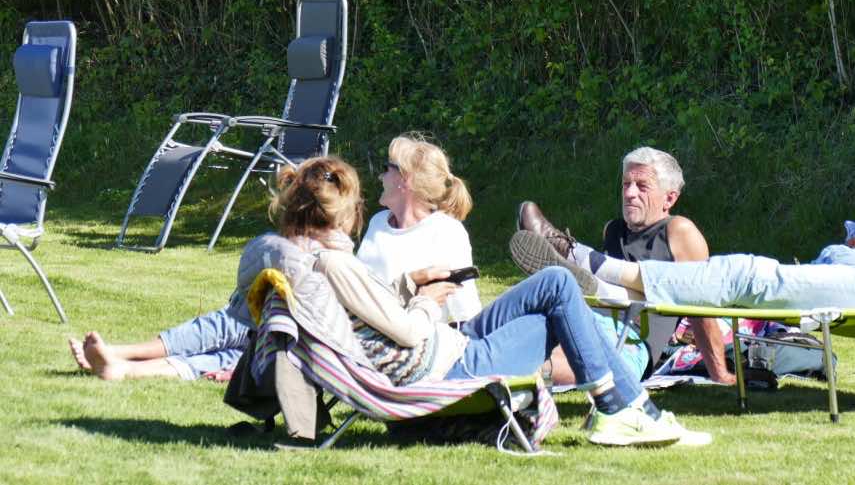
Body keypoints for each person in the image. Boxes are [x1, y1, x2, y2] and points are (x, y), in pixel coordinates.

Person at [312, 173, 711, 448]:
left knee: (557, 282)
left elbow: (373, 312)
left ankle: (630, 407)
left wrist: (408, 283)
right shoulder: (334, 265)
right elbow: (406, 331)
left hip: (450, 345)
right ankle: (623, 408)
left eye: (387, 168)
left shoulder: (324, 264)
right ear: (345, 212)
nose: (377, 181)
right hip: (447, 367)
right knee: (561, 298)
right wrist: (424, 299)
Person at [510, 116, 855, 315]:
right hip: (848, 261)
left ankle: (585, 260)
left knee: (751, 276)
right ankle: (608, 289)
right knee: (751, 278)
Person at [67, 156, 362, 381]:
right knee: (225, 343)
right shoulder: (331, 258)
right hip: (272, 341)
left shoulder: (288, 251)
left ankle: (122, 358)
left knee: (223, 334)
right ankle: (122, 362)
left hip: (277, 344)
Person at [514, 146, 734, 384]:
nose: (629, 193)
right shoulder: (613, 230)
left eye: (642, 186)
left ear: (669, 198)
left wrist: (719, 374)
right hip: (584, 318)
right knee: (525, 338)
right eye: (626, 184)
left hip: (630, 339)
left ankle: (574, 255)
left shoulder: (679, 231)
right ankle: (573, 265)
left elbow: (702, 310)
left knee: (589, 357)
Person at [355, 133, 480, 324]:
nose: (380, 176)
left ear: (406, 178)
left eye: (386, 169)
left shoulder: (446, 232)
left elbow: (466, 311)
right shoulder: (378, 222)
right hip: (363, 331)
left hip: (415, 337)